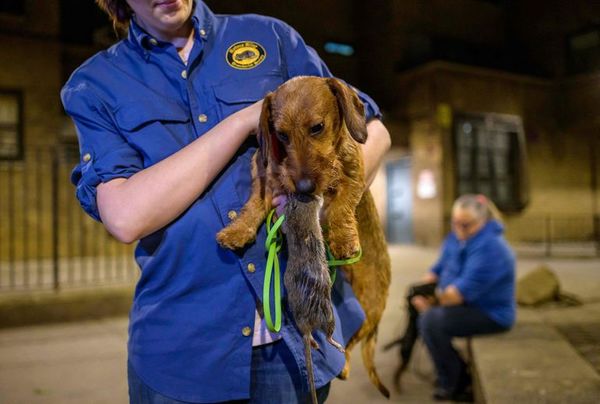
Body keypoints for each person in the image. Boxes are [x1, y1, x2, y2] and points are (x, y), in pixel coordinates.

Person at [61, 0, 391, 403]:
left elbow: (371, 131)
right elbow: (125, 217)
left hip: (295, 341)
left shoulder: (271, 37)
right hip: (184, 356)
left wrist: (320, 207)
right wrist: (240, 122)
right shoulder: (95, 83)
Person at [411, 194, 516, 402]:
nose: (459, 230)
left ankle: (456, 380)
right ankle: (452, 370)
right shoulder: (459, 237)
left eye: (465, 225)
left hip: (490, 313)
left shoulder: (491, 248)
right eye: (455, 223)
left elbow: (458, 295)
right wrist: (423, 288)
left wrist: (430, 302)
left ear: (483, 221)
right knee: (426, 316)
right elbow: (438, 268)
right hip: (466, 304)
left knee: (431, 321)